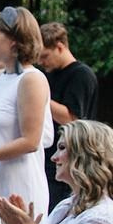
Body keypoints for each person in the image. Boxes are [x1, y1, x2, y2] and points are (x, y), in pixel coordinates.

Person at [0, 5, 53, 223]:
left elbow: (31, 141)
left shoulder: (31, 79)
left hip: (17, 186)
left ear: (14, 41)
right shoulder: (1, 78)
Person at [40, 22, 98, 208]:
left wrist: (38, 97)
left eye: (45, 56)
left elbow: (71, 118)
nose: (42, 62)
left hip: (70, 160)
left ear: (60, 47)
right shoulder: (48, 75)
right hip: (48, 156)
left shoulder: (81, 75)